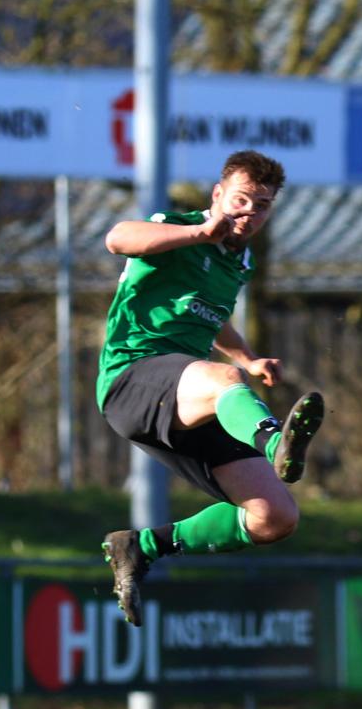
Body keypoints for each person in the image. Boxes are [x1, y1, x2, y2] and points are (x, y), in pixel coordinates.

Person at [97, 150, 324, 626]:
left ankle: (142, 546)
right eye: (241, 200)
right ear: (218, 195)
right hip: (132, 378)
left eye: (262, 206)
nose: (250, 213)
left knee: (274, 517)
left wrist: (248, 357)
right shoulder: (176, 227)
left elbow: (211, 316)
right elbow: (118, 238)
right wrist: (198, 232)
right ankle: (277, 443)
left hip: (186, 396)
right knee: (223, 382)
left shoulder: (239, 261)